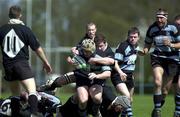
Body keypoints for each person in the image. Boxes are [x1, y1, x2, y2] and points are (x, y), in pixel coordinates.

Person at [0, 5, 52, 116]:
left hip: (7, 66)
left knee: (15, 94)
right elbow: (37, 48)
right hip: (21, 64)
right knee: (32, 91)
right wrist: (45, 62)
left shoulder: (2, 30)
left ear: (9, 15)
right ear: (20, 15)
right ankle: (33, 114)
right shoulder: (25, 29)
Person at [139, 8, 180, 117]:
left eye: (161, 17)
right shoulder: (152, 28)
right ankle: (157, 111)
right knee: (157, 81)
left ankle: (160, 103)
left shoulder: (174, 27)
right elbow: (148, 43)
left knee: (165, 91)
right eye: (157, 17)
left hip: (172, 59)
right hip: (158, 57)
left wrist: (171, 44)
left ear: (166, 17)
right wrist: (144, 51)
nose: (159, 19)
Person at [110, 27, 140, 117]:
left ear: (138, 38)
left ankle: (122, 114)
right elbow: (115, 63)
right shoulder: (123, 46)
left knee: (129, 100)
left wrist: (132, 73)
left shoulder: (136, 46)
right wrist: (121, 73)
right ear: (127, 36)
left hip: (129, 75)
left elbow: (132, 61)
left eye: (135, 37)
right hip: (118, 75)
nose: (133, 39)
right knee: (126, 97)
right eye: (131, 37)